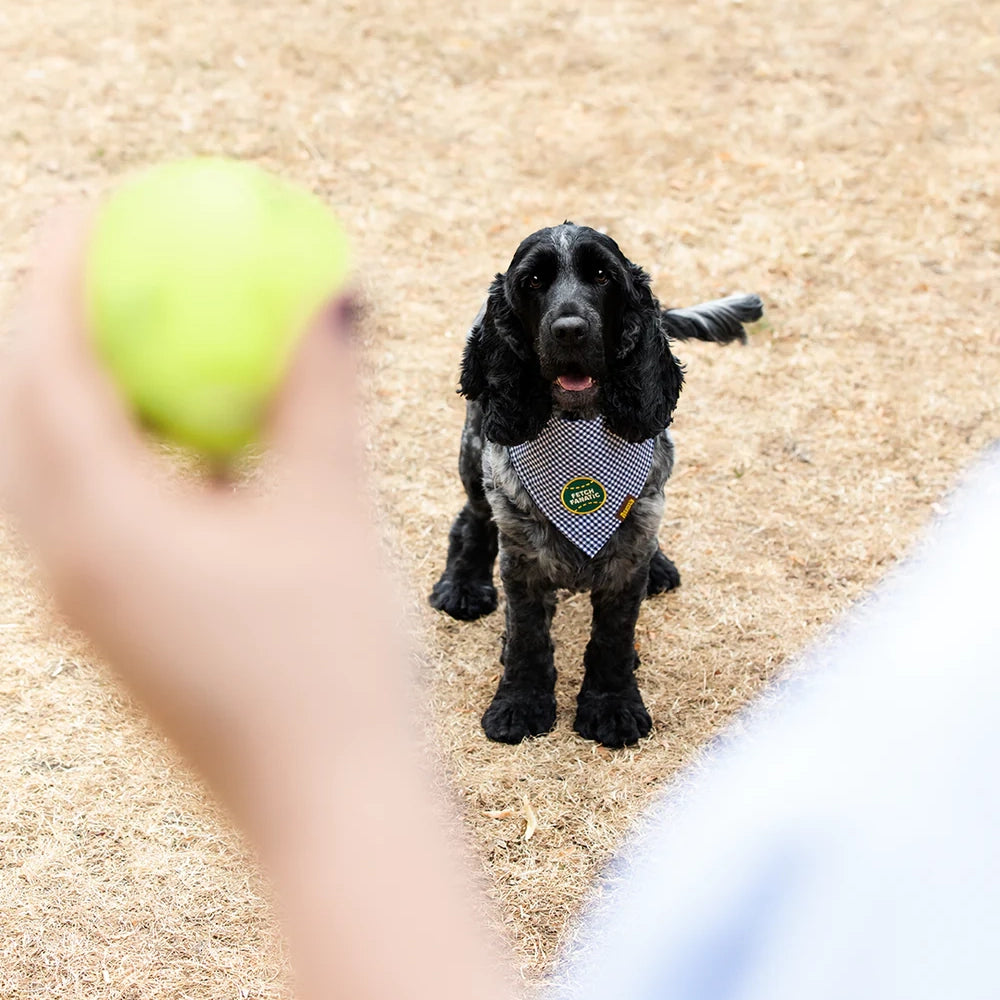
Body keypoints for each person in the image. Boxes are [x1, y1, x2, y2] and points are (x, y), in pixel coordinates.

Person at [3, 210, 1000, 1000]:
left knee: (627, 549)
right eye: (544, 291)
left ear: (622, 313)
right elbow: (508, 454)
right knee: (503, 527)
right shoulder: (508, 416)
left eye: (592, 286)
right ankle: (480, 577)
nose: (570, 312)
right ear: (517, 319)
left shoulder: (640, 433)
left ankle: (609, 671)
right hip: (517, 502)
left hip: (622, 499)